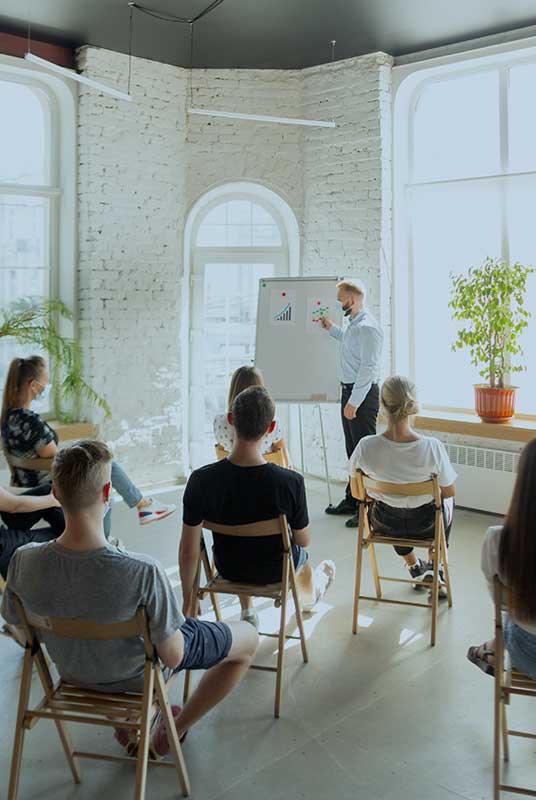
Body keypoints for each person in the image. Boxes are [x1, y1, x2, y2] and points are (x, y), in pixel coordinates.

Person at [1, 439, 258, 754]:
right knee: (249, 639)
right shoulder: (142, 571)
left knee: (98, 634)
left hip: (74, 674)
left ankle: (125, 724)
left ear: (54, 492)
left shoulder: (23, 561)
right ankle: (172, 731)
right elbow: (173, 656)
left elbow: (19, 626)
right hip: (136, 680)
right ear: (108, 494)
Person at [181, 385, 335, 628]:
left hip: (228, 569)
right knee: (301, 555)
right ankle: (311, 595)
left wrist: (188, 598)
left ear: (231, 420)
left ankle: (248, 611)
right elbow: (303, 540)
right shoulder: (290, 482)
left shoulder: (201, 481)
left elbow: (189, 550)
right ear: (271, 428)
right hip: (276, 573)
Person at [1, 356, 175, 526]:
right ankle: (141, 508)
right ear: (33, 385)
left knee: (99, 459)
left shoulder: (8, 417)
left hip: (29, 487)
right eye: (45, 383)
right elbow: (57, 460)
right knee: (105, 466)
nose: (47, 387)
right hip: (48, 489)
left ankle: (143, 505)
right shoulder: (30, 421)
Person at [348, 375, 456, 595]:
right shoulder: (432, 447)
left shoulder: (365, 446)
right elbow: (449, 491)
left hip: (385, 525)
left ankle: (414, 566)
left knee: (390, 503)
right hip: (427, 525)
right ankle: (437, 568)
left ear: (382, 405)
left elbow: (357, 493)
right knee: (448, 500)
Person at [467, 439, 536, 679]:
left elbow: (501, 602)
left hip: (528, 657)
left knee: (513, 606)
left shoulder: (497, 540)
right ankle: (489, 650)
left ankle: (490, 650)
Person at [321, 279, 383, 528]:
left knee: (363, 454)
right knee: (352, 452)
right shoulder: (355, 326)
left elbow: (369, 368)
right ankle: (352, 499)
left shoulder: (369, 328)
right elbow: (349, 341)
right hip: (350, 393)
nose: (338, 303)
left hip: (363, 396)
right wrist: (331, 328)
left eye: (341, 299)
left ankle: (367, 509)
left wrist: (354, 402)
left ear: (353, 300)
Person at [213, 365, 289, 463]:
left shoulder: (219, 422)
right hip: (265, 473)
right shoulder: (272, 424)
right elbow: (282, 452)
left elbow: (221, 447)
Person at [0, 482, 64, 579]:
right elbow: (15, 506)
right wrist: (55, 499)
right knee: (64, 541)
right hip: (2, 548)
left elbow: (7, 497)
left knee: (48, 489)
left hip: (7, 519)